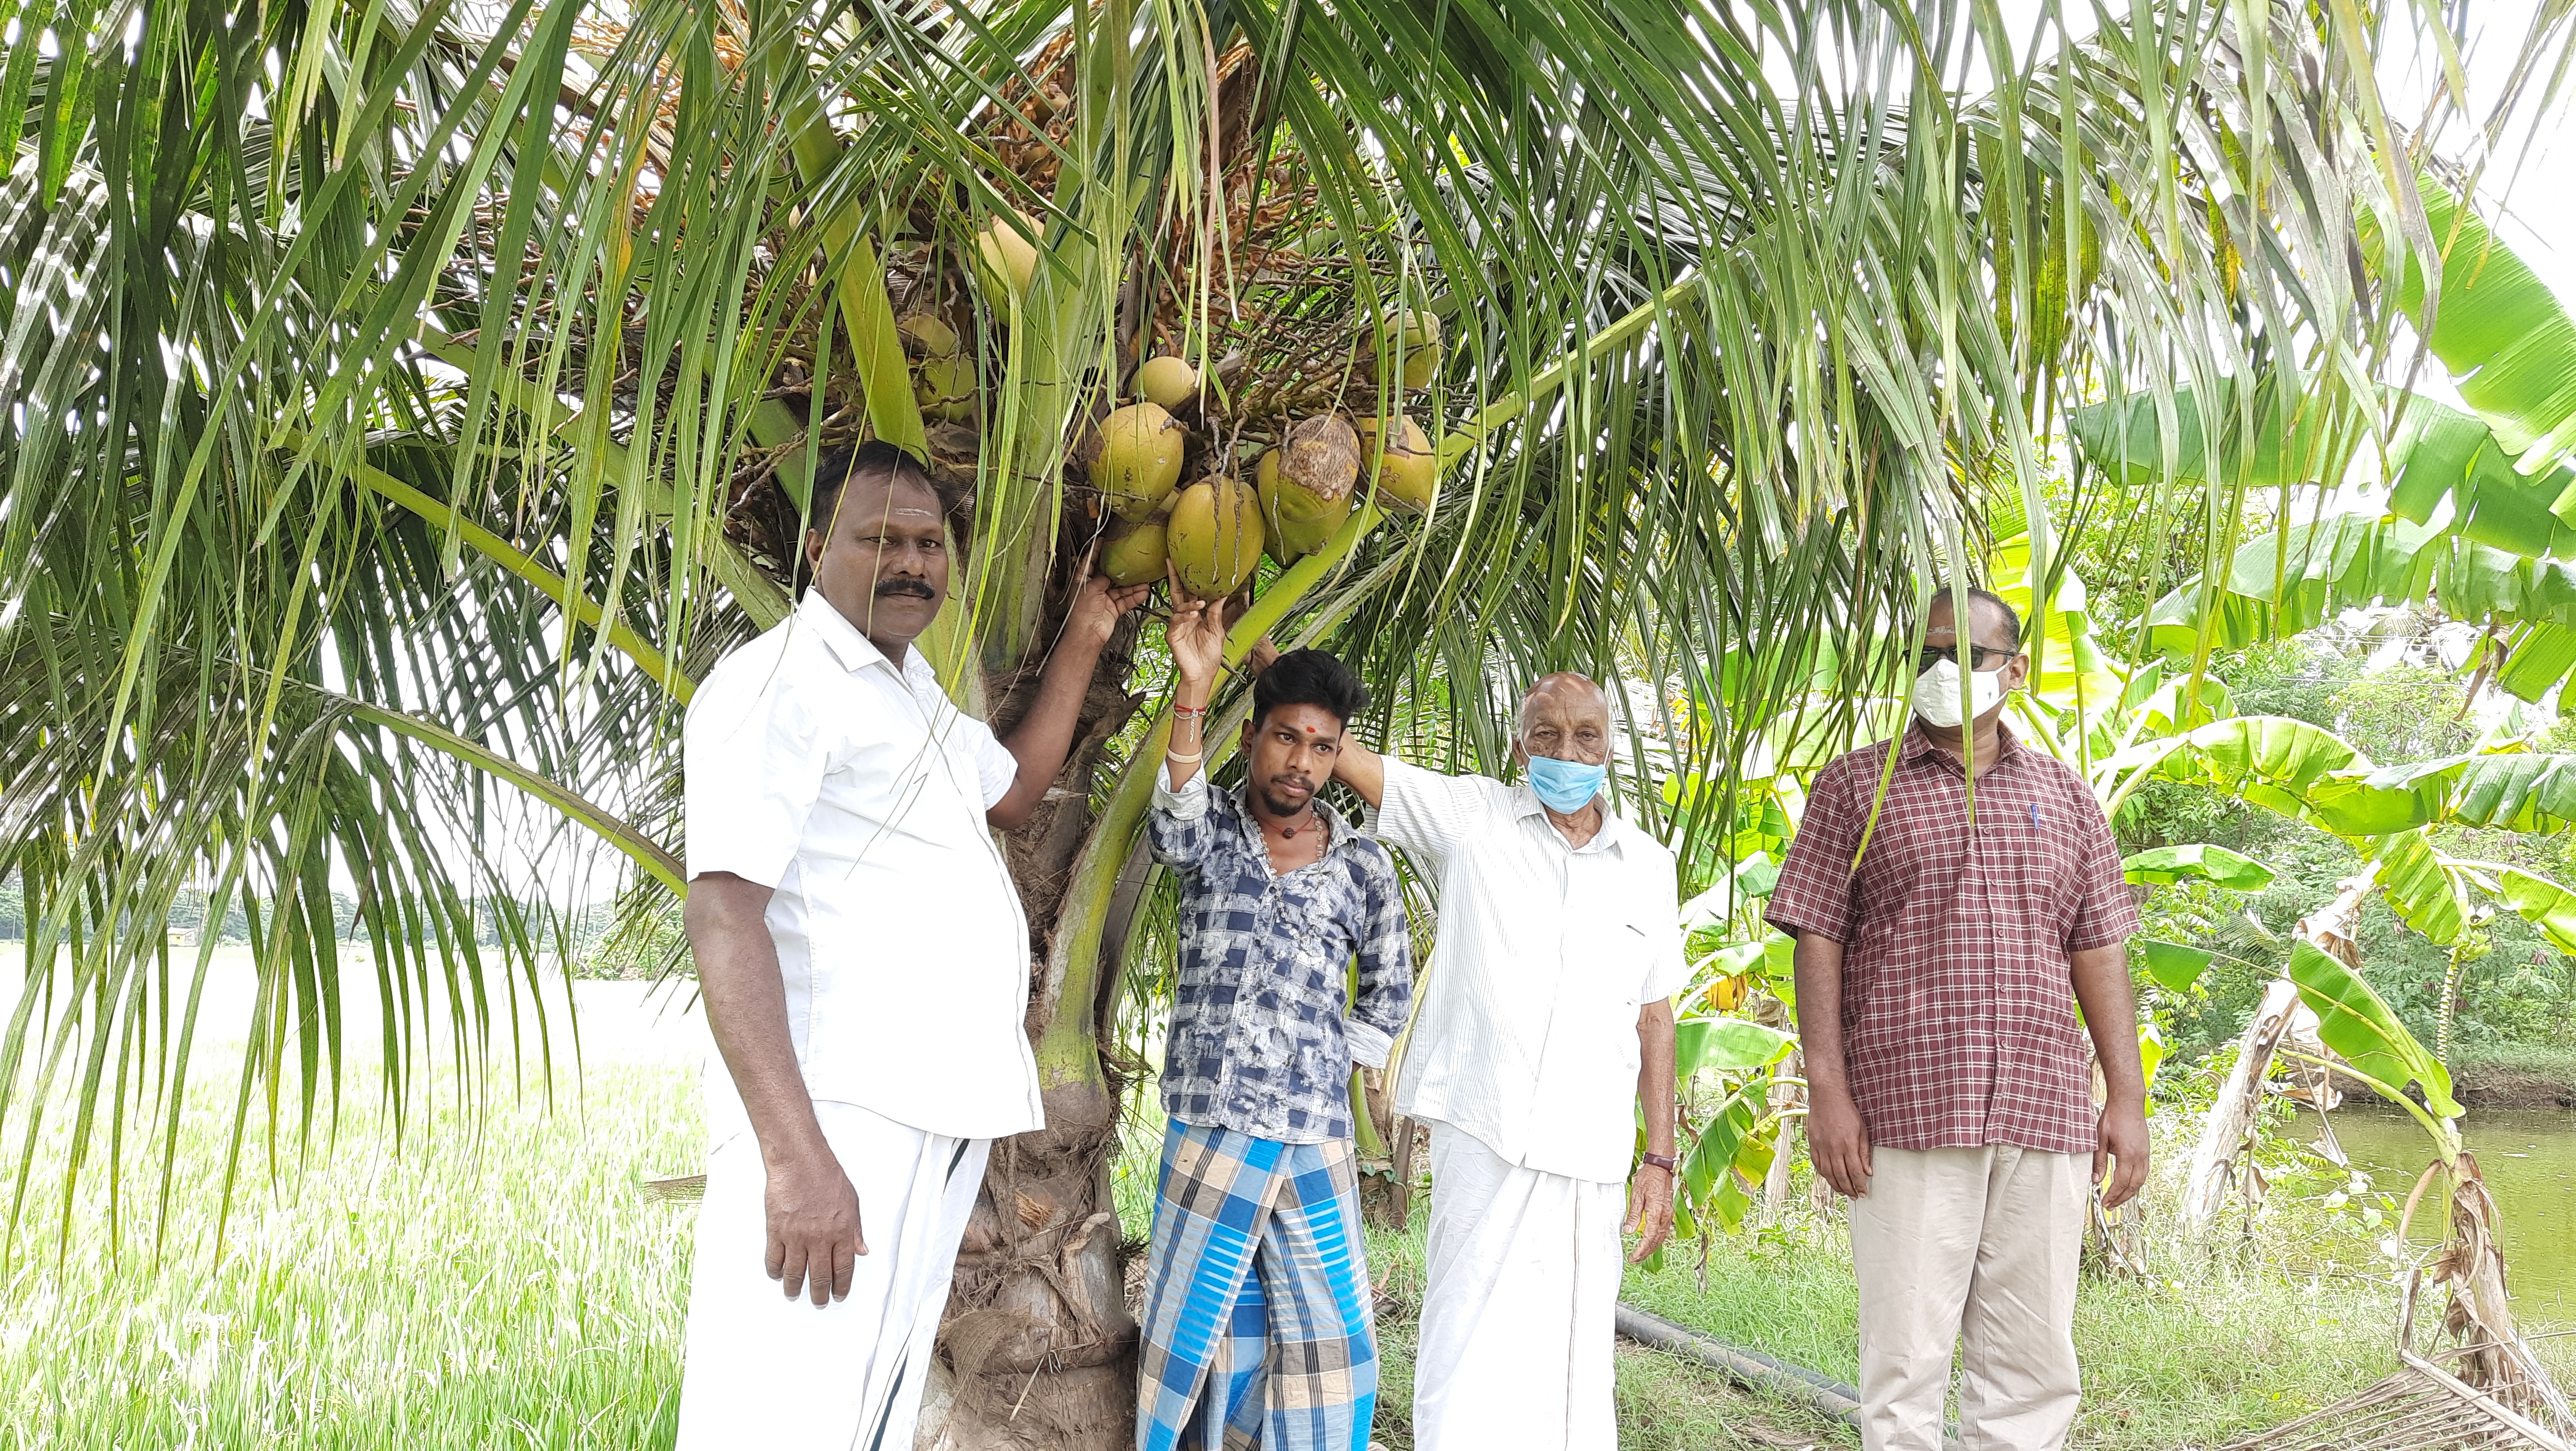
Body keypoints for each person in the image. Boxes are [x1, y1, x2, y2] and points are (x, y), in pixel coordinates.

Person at [676, 440, 1147, 1450]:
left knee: (861, 1409)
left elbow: (1016, 793)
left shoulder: (908, 691)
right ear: (815, 550)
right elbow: (723, 914)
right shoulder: (780, 684)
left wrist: (1087, 634)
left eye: (929, 542)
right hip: (837, 1112)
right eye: (880, 538)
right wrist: (798, 1160)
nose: (912, 563)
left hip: (912, 1115)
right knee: (778, 1411)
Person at [1764, 584, 2148, 1451]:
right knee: (1905, 1365)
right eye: (1927, 653)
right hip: (1909, 1109)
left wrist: (2126, 1097)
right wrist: (1827, 1088)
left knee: (2032, 1365)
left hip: (2042, 1112)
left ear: (2015, 670)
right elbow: (1816, 936)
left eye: (1963, 655)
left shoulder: (2068, 798)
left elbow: (2099, 951)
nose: (1942, 670)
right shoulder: (1854, 787)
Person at [1325, 670, 1689, 1451]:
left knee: (1573, 1367)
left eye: (1585, 735)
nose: (1567, 751)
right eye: (1547, 735)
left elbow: (1657, 1019)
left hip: (1591, 1154)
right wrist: (1262, 652)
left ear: (1610, 748)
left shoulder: (1648, 866)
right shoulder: (1473, 819)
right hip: (1483, 1135)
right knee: (1463, 1343)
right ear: (1520, 745)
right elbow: (1348, 756)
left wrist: (1660, 1158)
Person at [1132, 585, 1413, 1451]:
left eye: (1322, 748)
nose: (1301, 762)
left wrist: (1332, 1066)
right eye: (1286, 737)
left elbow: (1391, 990)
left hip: (1311, 1134)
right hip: (1212, 1125)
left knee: (1336, 1343)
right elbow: (1170, 828)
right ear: (1252, 737)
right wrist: (1193, 690)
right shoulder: (1211, 829)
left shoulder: (1363, 865)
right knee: (1198, 1335)